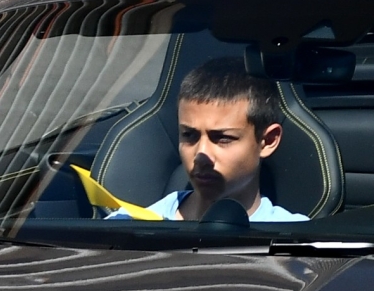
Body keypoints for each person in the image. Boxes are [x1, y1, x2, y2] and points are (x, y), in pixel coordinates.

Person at [105, 57, 306, 222]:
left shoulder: (300, 244)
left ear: (267, 141)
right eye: (189, 135)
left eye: (223, 138)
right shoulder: (128, 229)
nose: (201, 154)